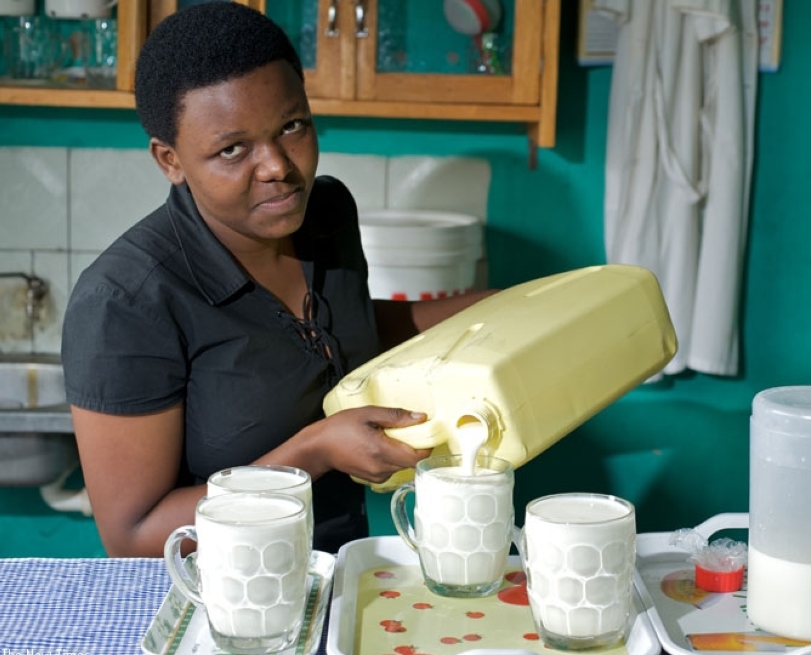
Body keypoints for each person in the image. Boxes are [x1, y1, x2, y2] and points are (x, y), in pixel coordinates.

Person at [61, 2, 495, 558]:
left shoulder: (326, 211)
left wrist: (502, 308)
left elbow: (347, 330)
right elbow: (136, 536)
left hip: (340, 576)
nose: (277, 167)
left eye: (292, 126)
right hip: (223, 606)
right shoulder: (123, 303)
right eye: (232, 149)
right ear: (170, 160)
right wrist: (315, 452)